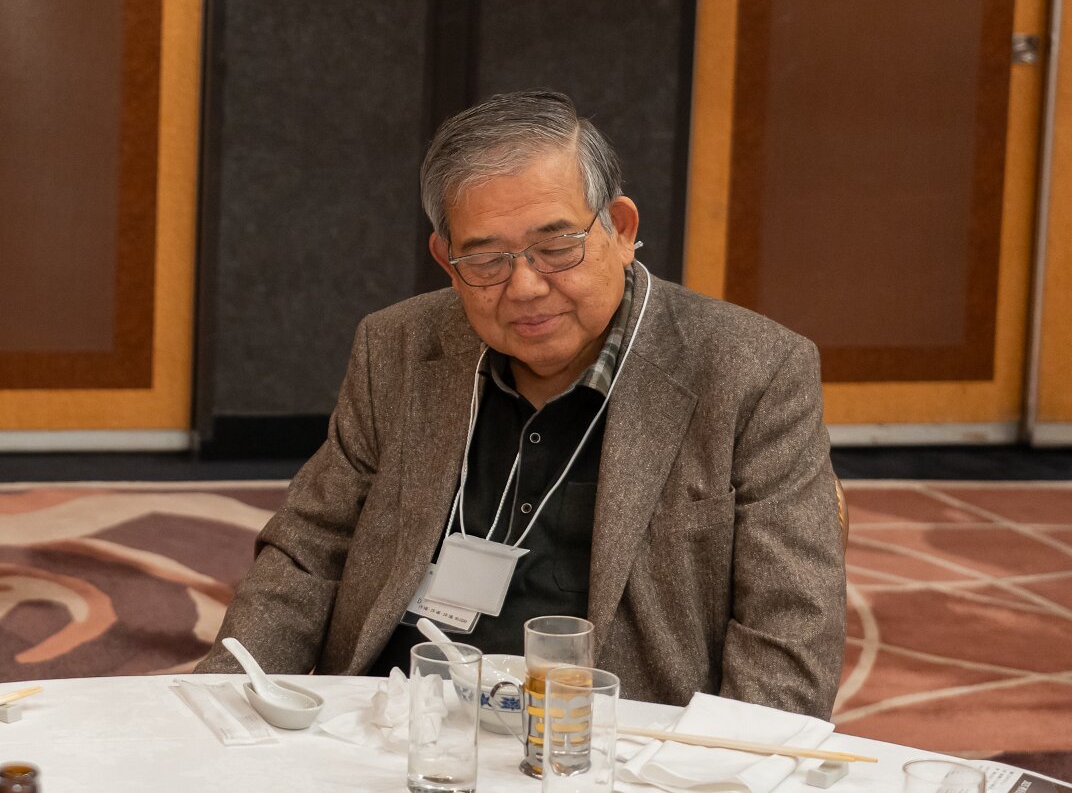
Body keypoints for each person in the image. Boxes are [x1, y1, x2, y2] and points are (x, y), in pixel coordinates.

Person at [199, 90, 844, 719]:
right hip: (398, 724)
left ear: (621, 229)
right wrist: (221, 706)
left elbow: (790, 633)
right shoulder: (397, 347)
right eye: (486, 259)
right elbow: (310, 551)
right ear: (447, 261)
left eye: (557, 248)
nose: (527, 287)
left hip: (609, 742)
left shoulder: (752, 371)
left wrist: (717, 768)